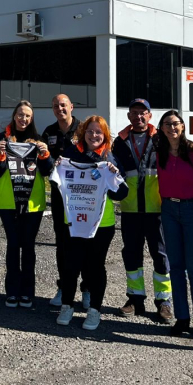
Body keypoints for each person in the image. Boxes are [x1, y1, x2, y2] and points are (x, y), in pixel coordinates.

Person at [51, 116, 126, 330]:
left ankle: (94, 310)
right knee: (71, 264)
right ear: (83, 132)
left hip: (102, 223)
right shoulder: (70, 154)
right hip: (73, 220)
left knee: (96, 266)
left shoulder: (110, 157)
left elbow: (121, 193)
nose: (94, 135)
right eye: (90, 131)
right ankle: (67, 305)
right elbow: (56, 182)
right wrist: (57, 167)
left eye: (98, 132)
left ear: (105, 136)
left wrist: (115, 174)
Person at [111, 98, 173, 323]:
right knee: (131, 254)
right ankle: (135, 299)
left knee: (161, 255)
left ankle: (163, 301)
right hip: (130, 210)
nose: (138, 117)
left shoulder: (161, 138)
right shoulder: (119, 141)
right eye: (134, 113)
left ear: (149, 116)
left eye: (143, 113)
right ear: (128, 116)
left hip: (156, 208)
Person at [0, 100, 52, 308]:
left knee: (29, 247)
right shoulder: (2, 139)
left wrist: (45, 155)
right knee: (13, 246)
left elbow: (48, 171)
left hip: (33, 203)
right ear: (14, 116)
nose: (23, 119)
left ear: (31, 119)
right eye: (20, 115)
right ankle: (12, 291)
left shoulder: (39, 140)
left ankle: (27, 292)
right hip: (9, 202)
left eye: (28, 116)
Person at [155, 109, 193, 338]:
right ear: (162, 128)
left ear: (183, 126)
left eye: (175, 123)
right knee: (175, 266)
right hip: (168, 209)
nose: (171, 127)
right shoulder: (161, 152)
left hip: (192, 209)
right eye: (166, 124)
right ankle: (182, 318)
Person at [41, 94, 84, 309]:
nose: (60, 108)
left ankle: (86, 289)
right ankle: (64, 286)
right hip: (59, 196)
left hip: (83, 196)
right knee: (63, 243)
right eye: (56, 105)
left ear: (71, 106)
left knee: (84, 241)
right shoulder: (49, 132)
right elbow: (43, 167)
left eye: (64, 105)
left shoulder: (84, 129)